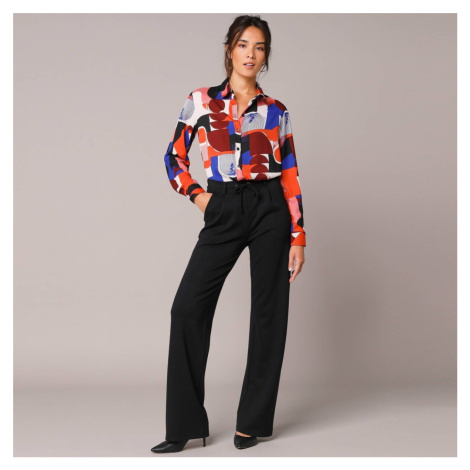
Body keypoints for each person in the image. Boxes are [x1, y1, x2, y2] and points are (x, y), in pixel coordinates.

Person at [151, 14, 306, 454]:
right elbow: (174, 157)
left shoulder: (277, 111)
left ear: (266, 55)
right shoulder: (200, 101)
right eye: (243, 45)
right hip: (222, 205)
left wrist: (298, 235)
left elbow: (290, 173)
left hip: (271, 207)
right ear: (229, 49)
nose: (250, 54)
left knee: (269, 314)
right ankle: (184, 425)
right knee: (187, 307)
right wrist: (199, 196)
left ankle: (251, 422)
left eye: (259, 47)